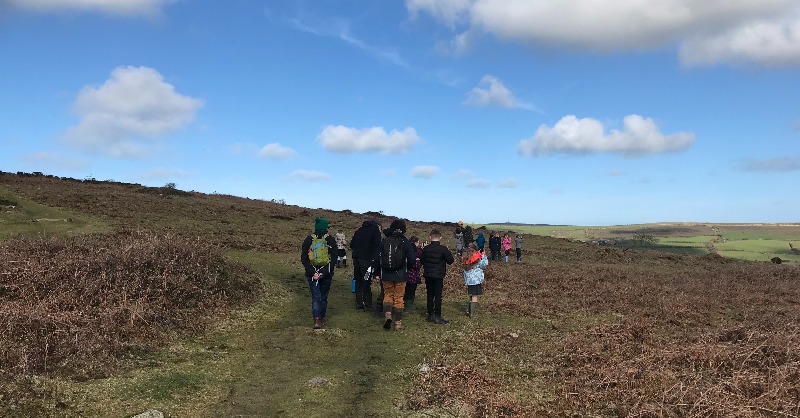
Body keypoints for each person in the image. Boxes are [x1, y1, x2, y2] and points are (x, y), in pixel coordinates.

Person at [374, 219, 416, 331]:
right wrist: (407, 268)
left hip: (386, 274)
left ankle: (387, 316)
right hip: (400, 275)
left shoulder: (384, 240)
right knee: (399, 297)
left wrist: (377, 273)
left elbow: (377, 258)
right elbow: (412, 259)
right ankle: (398, 324)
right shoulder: (405, 242)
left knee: (387, 294)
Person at [300, 217, 338, 329]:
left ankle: (316, 320)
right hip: (326, 273)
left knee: (316, 297)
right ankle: (322, 317)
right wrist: (324, 272)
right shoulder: (330, 240)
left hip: (312, 274)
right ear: (326, 228)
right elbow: (334, 258)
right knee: (324, 296)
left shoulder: (308, 239)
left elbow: (304, 258)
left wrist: (313, 272)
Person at [420, 229, 454, 324]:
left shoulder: (426, 249)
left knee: (429, 294)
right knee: (438, 296)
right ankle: (438, 316)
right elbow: (450, 261)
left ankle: (430, 314)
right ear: (440, 237)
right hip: (439, 275)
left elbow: (422, 261)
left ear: (430, 237)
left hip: (428, 274)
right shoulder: (443, 249)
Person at [349, 220, 381, 310]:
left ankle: (359, 302)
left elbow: (352, 245)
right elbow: (378, 246)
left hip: (356, 258)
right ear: (378, 226)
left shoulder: (359, 230)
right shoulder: (375, 231)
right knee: (366, 280)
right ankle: (368, 304)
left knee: (358, 280)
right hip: (367, 260)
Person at [462, 243, 488, 319]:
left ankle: (469, 311)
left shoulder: (466, 257)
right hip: (476, 280)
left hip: (469, 280)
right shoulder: (477, 258)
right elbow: (484, 264)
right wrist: (484, 256)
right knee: (475, 296)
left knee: (471, 295)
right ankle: (472, 314)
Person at [403, 236, 423, 313]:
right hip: (413, 276)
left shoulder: (406, 250)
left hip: (405, 275)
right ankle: (408, 307)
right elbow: (417, 265)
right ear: (415, 243)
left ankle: (403, 305)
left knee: (405, 291)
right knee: (411, 292)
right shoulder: (417, 252)